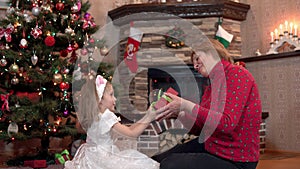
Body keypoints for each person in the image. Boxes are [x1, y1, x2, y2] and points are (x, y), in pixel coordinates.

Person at [152, 38, 262, 169]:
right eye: (193, 62)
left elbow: (227, 124)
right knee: (158, 157)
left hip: (236, 160)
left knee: (170, 165)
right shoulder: (210, 87)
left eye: (197, 59)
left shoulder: (237, 74)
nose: (195, 66)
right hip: (212, 147)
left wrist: (186, 105)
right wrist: (178, 113)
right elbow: (200, 129)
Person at [64, 75, 159, 169]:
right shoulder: (106, 116)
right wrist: (149, 117)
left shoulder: (92, 115)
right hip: (104, 157)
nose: (115, 99)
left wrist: (147, 115)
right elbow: (131, 133)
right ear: (100, 100)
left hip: (90, 155)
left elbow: (80, 129)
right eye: (111, 95)